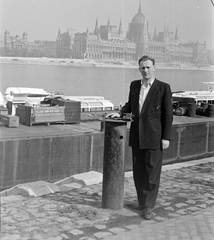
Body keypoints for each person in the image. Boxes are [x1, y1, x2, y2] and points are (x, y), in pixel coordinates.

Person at [107, 55, 173, 220]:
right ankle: (142, 202)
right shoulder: (135, 85)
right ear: (139, 69)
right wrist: (121, 113)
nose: (145, 71)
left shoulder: (163, 88)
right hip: (137, 135)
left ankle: (149, 207)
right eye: (142, 68)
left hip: (154, 137)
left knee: (151, 174)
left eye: (148, 67)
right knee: (138, 172)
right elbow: (130, 105)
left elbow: (168, 115)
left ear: (154, 68)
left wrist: (166, 137)